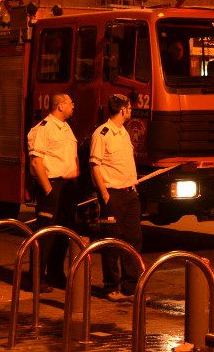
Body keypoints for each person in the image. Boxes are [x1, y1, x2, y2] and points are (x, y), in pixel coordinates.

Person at [90, 93, 142, 302]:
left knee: (133, 240)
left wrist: (134, 188)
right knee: (111, 242)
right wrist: (104, 194)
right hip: (112, 194)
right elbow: (95, 166)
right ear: (122, 110)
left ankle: (130, 287)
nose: (131, 111)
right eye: (129, 108)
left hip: (130, 193)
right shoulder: (101, 134)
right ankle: (111, 286)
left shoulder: (123, 133)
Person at [26, 93, 79, 291]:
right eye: (71, 103)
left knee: (64, 231)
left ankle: (56, 274)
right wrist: (48, 189)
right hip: (52, 184)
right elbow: (36, 161)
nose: (73, 106)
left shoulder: (66, 128)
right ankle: (36, 278)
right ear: (60, 106)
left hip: (67, 186)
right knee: (46, 232)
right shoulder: (43, 129)